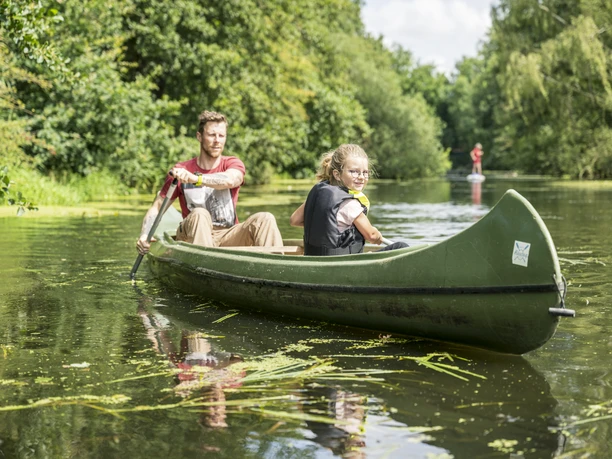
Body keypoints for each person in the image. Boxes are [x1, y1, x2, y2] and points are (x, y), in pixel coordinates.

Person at [136, 110, 283, 255]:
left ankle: (277, 270)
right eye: (212, 135)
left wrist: (196, 179)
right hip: (191, 236)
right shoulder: (181, 170)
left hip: (228, 235)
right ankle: (204, 266)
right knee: (200, 213)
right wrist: (144, 235)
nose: (217, 140)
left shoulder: (232, 163)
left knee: (265, 218)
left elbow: (231, 179)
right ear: (199, 136)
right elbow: (157, 207)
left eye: (221, 136)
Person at [290, 144, 408, 256]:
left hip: (316, 258)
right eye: (353, 171)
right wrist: (377, 234)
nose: (361, 177)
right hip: (341, 263)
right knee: (402, 247)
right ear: (337, 174)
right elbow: (371, 235)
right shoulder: (350, 203)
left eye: (365, 172)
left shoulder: (319, 195)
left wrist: (324, 228)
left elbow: (294, 220)